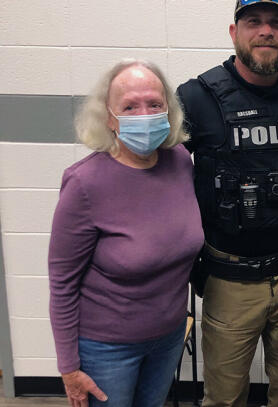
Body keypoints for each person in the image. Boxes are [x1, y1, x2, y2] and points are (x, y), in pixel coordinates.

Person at [176, 1, 278, 406]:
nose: (266, 32)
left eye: (277, 23)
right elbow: (157, 176)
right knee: (224, 397)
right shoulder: (196, 96)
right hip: (230, 278)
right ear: (234, 32)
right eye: (253, 22)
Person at [48, 59, 204, 407]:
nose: (143, 114)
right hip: (106, 347)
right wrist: (68, 368)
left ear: (169, 110)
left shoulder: (179, 160)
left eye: (154, 104)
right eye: (129, 106)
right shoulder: (84, 184)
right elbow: (62, 283)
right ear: (109, 117)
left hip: (168, 337)